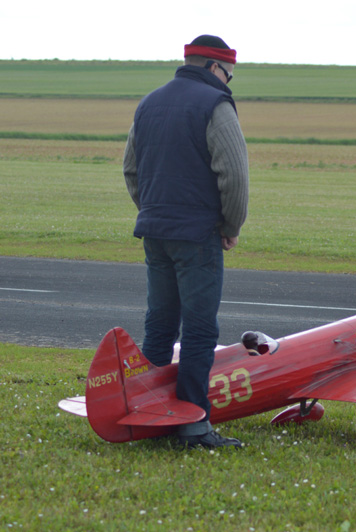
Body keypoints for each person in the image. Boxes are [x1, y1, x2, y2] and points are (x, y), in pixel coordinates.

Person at [123, 35, 249, 448]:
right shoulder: (216, 104)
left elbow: (131, 170)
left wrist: (152, 210)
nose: (228, 82)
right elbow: (234, 175)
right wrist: (230, 224)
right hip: (197, 235)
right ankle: (194, 427)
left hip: (155, 230)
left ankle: (149, 415)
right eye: (229, 74)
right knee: (199, 330)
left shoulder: (149, 103)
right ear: (215, 67)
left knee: (159, 326)